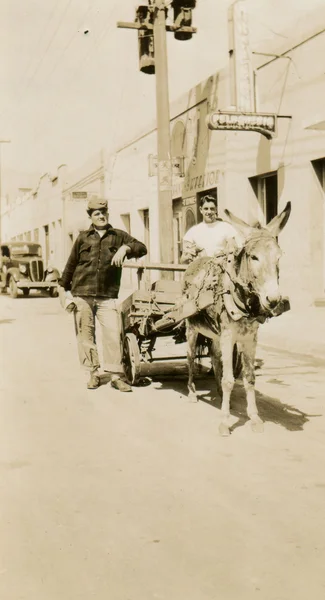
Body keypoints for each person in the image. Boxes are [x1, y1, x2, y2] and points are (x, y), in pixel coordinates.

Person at [58, 196, 147, 392]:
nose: (101, 216)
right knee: (86, 335)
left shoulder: (118, 236)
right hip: (82, 293)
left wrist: (125, 248)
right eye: (97, 213)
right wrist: (63, 289)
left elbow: (142, 248)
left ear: (108, 213)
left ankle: (115, 376)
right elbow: (71, 265)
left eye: (104, 212)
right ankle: (93, 374)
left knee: (113, 334)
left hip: (107, 295)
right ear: (91, 216)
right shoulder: (82, 238)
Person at [180, 195, 242, 264]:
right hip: (201, 270)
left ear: (216, 209)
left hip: (222, 269)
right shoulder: (192, 232)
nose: (209, 212)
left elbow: (236, 250)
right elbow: (184, 260)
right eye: (206, 209)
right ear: (201, 210)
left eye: (212, 209)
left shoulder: (226, 227)